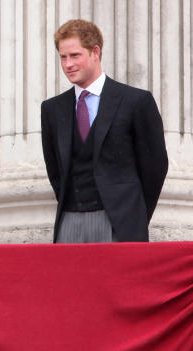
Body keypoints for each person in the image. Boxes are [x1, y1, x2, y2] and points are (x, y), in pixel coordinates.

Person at [41, 19, 168, 243]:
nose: (68, 64)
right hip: (69, 221)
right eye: (63, 57)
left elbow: (154, 167)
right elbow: (55, 171)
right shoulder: (52, 109)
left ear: (95, 52)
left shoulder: (136, 101)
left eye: (75, 55)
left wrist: (133, 215)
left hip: (120, 222)